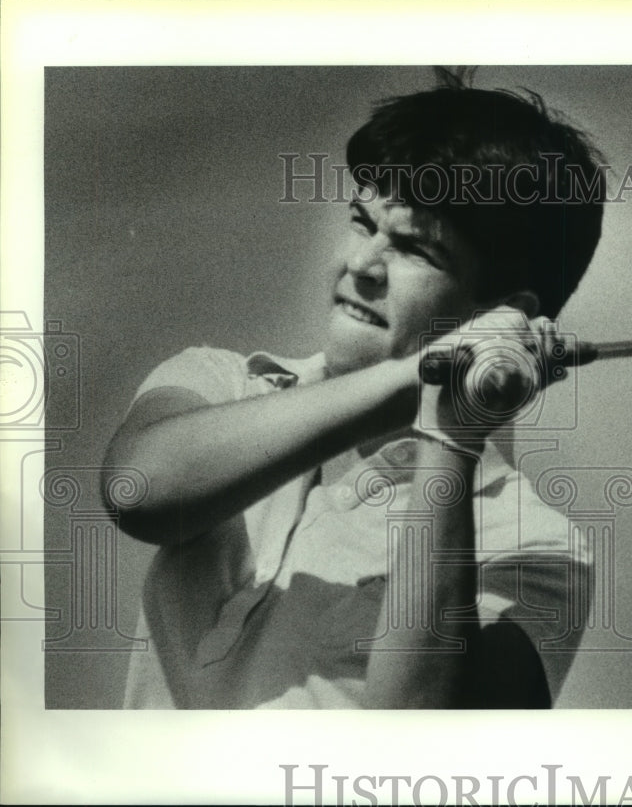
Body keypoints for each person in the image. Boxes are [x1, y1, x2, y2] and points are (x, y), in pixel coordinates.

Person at [102, 75, 606, 709]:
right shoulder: (222, 382)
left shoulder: (536, 544)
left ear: (504, 312)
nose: (362, 265)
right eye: (362, 223)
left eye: (414, 249)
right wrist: (415, 376)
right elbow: (138, 491)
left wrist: (449, 431)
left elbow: (427, 752)